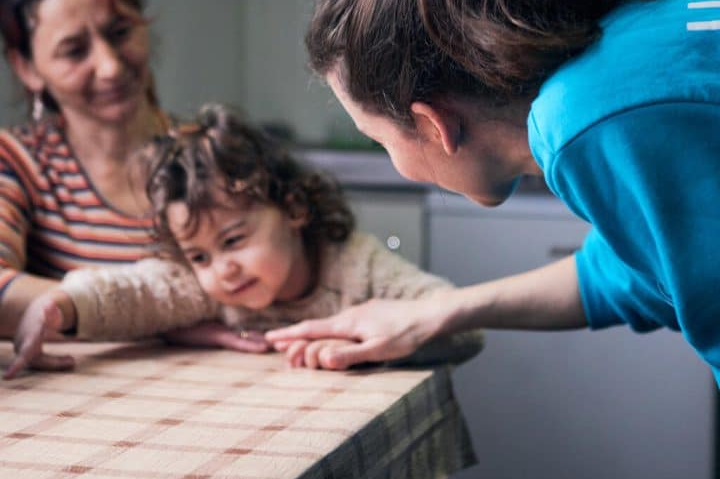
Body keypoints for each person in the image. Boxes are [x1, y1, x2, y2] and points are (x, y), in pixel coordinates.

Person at [266, 0, 720, 384]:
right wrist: (437, 312)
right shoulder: (633, 38)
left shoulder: (585, 120)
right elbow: (646, 269)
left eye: (381, 140)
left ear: (432, 124)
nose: (394, 160)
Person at [5, 103, 482, 378]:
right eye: (198, 255)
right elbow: (138, 289)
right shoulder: (211, 287)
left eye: (234, 239)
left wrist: (375, 343)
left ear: (293, 208)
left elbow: (461, 325)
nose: (221, 269)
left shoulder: (356, 267)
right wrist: (62, 304)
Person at [0, 0, 175, 345]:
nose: (110, 66)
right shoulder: (18, 161)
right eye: (74, 50)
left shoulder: (216, 153)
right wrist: (182, 314)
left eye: (120, 32)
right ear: (26, 67)